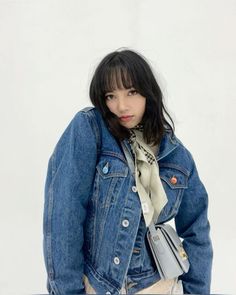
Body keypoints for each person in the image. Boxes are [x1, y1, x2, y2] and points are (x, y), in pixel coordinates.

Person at [43, 49, 213, 294]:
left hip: (158, 285)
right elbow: (64, 214)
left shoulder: (177, 156)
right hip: (98, 284)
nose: (121, 106)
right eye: (111, 96)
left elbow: (197, 231)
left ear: (148, 91)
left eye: (131, 92)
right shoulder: (90, 129)